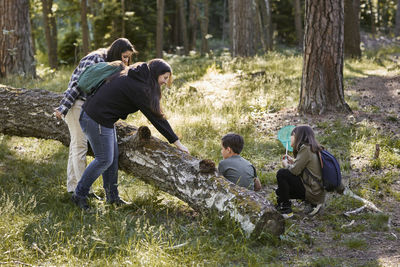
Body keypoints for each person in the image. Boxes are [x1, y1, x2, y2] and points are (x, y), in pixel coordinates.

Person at [71, 58, 189, 210]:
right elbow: (156, 118)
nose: (166, 82)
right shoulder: (139, 86)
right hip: (95, 118)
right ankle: (79, 195)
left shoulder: (138, 76)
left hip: (102, 119)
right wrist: (177, 143)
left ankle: (112, 198)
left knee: (112, 158)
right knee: (104, 159)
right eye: (165, 78)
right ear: (156, 73)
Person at [54, 38, 137, 198]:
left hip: (90, 107)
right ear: (116, 51)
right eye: (124, 56)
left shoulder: (115, 65)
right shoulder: (96, 58)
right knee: (80, 146)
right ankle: (84, 192)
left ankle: (73, 187)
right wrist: (63, 107)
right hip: (77, 104)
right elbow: (78, 84)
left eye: (128, 57)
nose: (126, 60)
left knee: (76, 146)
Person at [275, 125, 325, 219]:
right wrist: (294, 161)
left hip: (313, 192)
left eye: (291, 135)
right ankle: (312, 205)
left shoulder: (306, 148)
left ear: (295, 135)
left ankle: (286, 210)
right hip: (318, 191)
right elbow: (308, 167)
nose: (290, 138)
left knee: (282, 173)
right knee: (280, 192)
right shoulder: (313, 148)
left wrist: (286, 164)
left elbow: (294, 171)